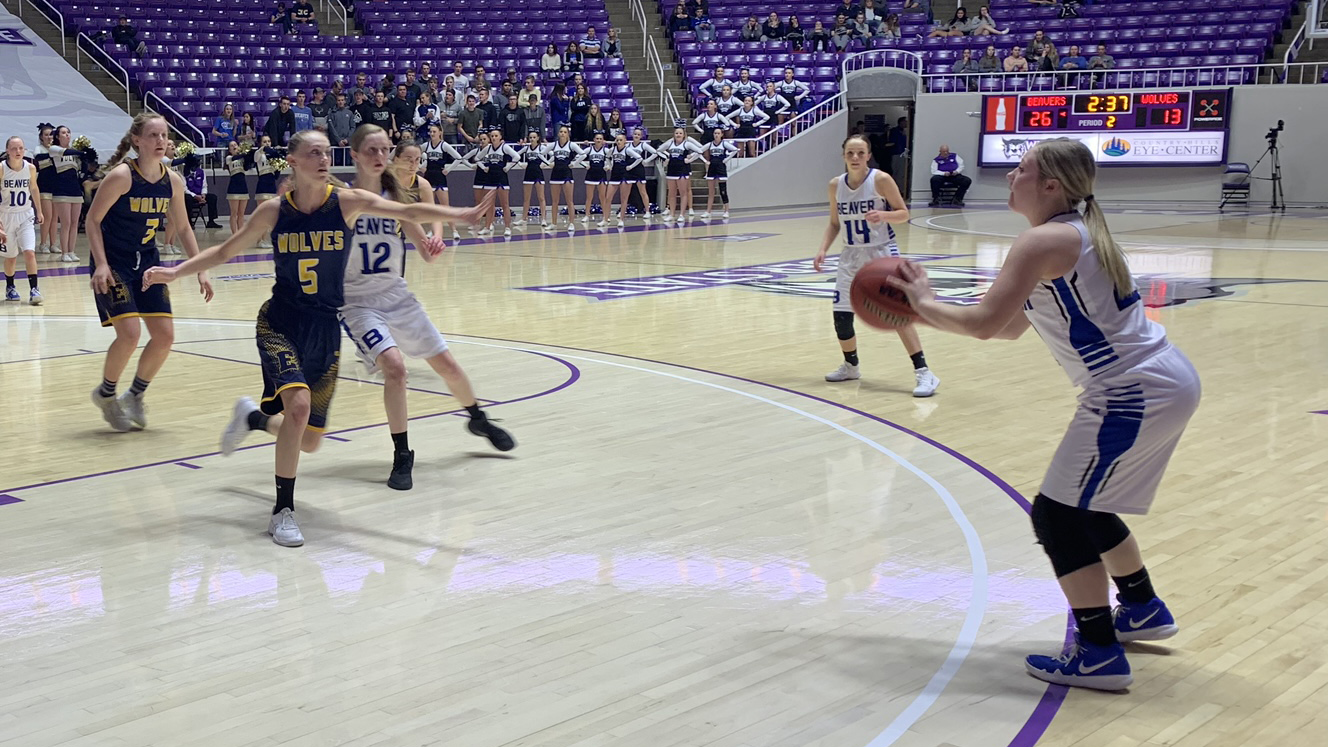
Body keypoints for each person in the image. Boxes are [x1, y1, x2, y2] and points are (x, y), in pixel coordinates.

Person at [886, 138, 1198, 690]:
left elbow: (984, 325)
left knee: (1055, 515)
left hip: (1130, 390)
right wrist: (925, 313)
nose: (1012, 174)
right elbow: (1005, 328)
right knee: (1087, 506)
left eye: (1022, 168)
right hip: (1156, 380)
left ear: (1051, 185)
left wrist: (921, 302)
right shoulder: (1070, 235)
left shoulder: (1044, 240)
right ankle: (1143, 607)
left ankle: (1099, 651)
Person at [142, 129, 493, 547]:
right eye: (313, 154)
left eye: (327, 153)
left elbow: (406, 211)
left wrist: (461, 216)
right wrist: (175, 272)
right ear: (292, 161)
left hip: (325, 328)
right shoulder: (274, 211)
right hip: (281, 322)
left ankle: (253, 418)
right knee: (299, 407)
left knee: (307, 439)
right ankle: (282, 511)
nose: (324, 160)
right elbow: (224, 252)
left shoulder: (346, 203)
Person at [334, 129, 515, 489]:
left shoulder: (395, 195)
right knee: (395, 368)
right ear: (354, 154)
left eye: (386, 149)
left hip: (396, 295)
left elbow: (419, 242)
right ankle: (403, 454)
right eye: (373, 149)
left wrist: (430, 246)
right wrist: (457, 214)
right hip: (358, 302)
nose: (380, 155)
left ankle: (477, 417)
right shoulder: (345, 198)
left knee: (447, 365)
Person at [87, 114, 214, 432]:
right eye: (153, 135)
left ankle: (135, 395)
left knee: (165, 336)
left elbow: (183, 228)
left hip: (148, 262)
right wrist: (101, 264)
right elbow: (92, 221)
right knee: (129, 334)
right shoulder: (121, 176)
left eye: (164, 135)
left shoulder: (173, 180)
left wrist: (199, 270)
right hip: (114, 262)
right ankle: (105, 395)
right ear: (137, 141)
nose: (160, 140)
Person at [813, 135, 939, 397]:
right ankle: (851, 366)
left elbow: (904, 213)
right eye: (850, 153)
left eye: (860, 152)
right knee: (842, 318)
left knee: (896, 312)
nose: (855, 157)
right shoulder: (835, 185)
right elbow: (835, 223)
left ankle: (924, 372)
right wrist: (823, 248)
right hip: (850, 256)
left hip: (881, 254)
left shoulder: (880, 180)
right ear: (843, 155)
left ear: (868, 155)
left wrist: (883, 215)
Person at [1, 136, 44, 305]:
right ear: (7, 151)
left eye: (20, 148)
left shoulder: (31, 168)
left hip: (26, 214)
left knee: (29, 251)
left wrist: (39, 211)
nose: (18, 152)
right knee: (11, 256)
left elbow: (34, 188)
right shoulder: (2, 169)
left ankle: (34, 289)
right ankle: (10, 286)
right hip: (5, 216)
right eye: (14, 149)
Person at [420, 124, 467, 240]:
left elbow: (459, 158)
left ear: (440, 132)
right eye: (430, 132)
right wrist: (421, 166)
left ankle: (454, 230)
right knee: (430, 207)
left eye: (434, 132)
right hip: (429, 178)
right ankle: (432, 230)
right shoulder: (426, 145)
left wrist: (449, 169)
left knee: (445, 207)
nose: (432, 134)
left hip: (440, 178)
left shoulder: (444, 145)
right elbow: (414, 153)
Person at [49, 126, 87, 263]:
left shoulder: (75, 153)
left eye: (68, 132)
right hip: (61, 189)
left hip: (75, 189)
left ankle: (71, 251)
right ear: (58, 136)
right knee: (66, 223)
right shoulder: (54, 149)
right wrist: (82, 152)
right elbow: (67, 152)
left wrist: (86, 159)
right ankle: (64, 252)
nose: (67, 135)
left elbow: (82, 169)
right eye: (63, 133)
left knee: (74, 223)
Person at [660, 126, 703, 225]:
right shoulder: (670, 143)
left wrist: (689, 160)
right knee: (671, 193)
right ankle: (671, 214)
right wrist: (666, 157)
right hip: (671, 170)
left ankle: (682, 214)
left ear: (684, 135)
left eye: (680, 133)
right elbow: (659, 150)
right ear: (674, 135)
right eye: (676, 133)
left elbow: (700, 151)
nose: (678, 135)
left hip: (682, 170)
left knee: (683, 193)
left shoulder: (686, 144)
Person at [546, 125, 584, 229]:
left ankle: (571, 223)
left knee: (569, 200)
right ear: (558, 134)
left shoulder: (571, 145)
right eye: (561, 132)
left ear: (568, 134)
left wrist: (575, 163)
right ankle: (553, 223)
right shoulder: (554, 145)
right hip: (555, 174)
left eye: (565, 132)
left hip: (567, 174)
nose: (562, 133)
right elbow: (541, 153)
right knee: (554, 201)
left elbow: (583, 154)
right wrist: (548, 162)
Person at [517, 130, 551, 229]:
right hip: (528, 174)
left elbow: (553, 155)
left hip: (538, 174)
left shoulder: (542, 148)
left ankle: (544, 218)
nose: (532, 139)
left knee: (541, 197)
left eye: (534, 137)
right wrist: (520, 164)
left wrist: (546, 163)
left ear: (538, 138)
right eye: (530, 137)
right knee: (526, 199)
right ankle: (523, 218)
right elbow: (515, 155)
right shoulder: (526, 148)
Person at [699, 129, 736, 219]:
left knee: (723, 191)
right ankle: (708, 211)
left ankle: (726, 211)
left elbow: (735, 150)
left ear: (722, 135)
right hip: (712, 168)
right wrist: (705, 161)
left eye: (718, 133)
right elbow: (699, 151)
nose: (716, 135)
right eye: (715, 133)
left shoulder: (724, 144)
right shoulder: (710, 144)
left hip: (721, 168)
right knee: (711, 192)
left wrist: (726, 159)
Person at [223, 141, 251, 235]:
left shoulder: (242, 158)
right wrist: (244, 153)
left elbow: (247, 166)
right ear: (229, 149)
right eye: (232, 145)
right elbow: (236, 157)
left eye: (235, 144)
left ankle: (241, 234)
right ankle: (234, 234)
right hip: (233, 187)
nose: (234, 146)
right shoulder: (229, 158)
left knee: (241, 213)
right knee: (234, 213)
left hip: (243, 186)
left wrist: (248, 155)